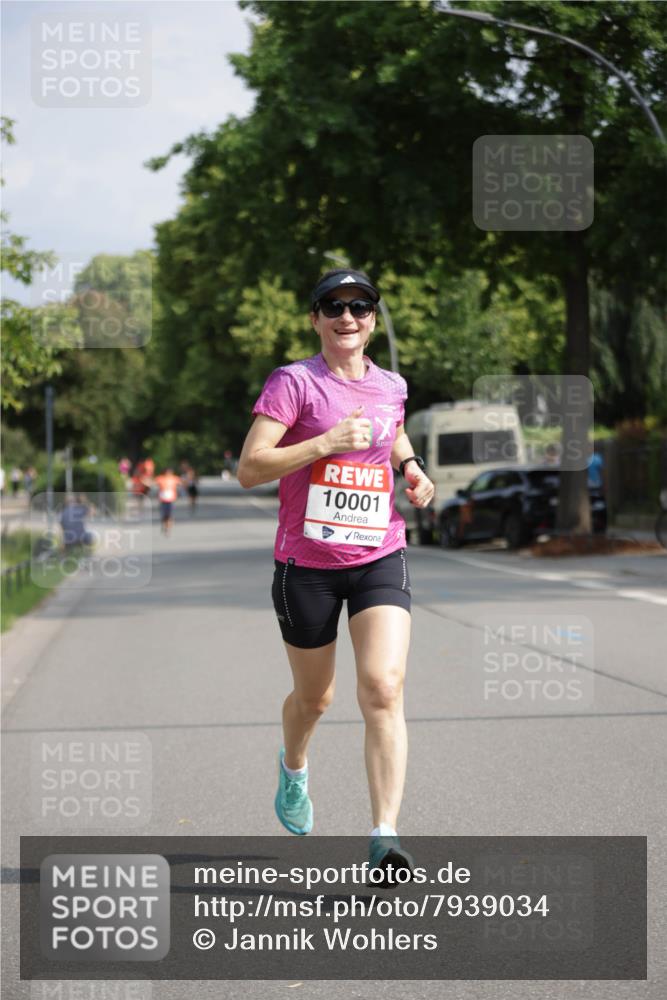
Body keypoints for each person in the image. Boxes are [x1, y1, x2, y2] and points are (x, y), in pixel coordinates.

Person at [238, 268, 435, 883]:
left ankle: (385, 837)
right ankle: (294, 765)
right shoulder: (294, 383)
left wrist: (412, 467)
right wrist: (324, 443)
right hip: (307, 566)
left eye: (360, 306)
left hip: (379, 553)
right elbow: (250, 467)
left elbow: (392, 430)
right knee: (315, 698)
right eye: (333, 306)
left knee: (383, 687)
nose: (347, 317)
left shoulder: (392, 385)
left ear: (372, 320)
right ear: (316, 319)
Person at [154, 467, 182, 536]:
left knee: (169, 515)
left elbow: (181, 484)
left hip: (171, 499)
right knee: (164, 514)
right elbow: (153, 483)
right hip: (162, 499)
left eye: (170, 472)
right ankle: (164, 524)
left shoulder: (175, 478)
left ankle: (168, 528)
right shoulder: (160, 478)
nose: (168, 473)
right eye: (167, 472)